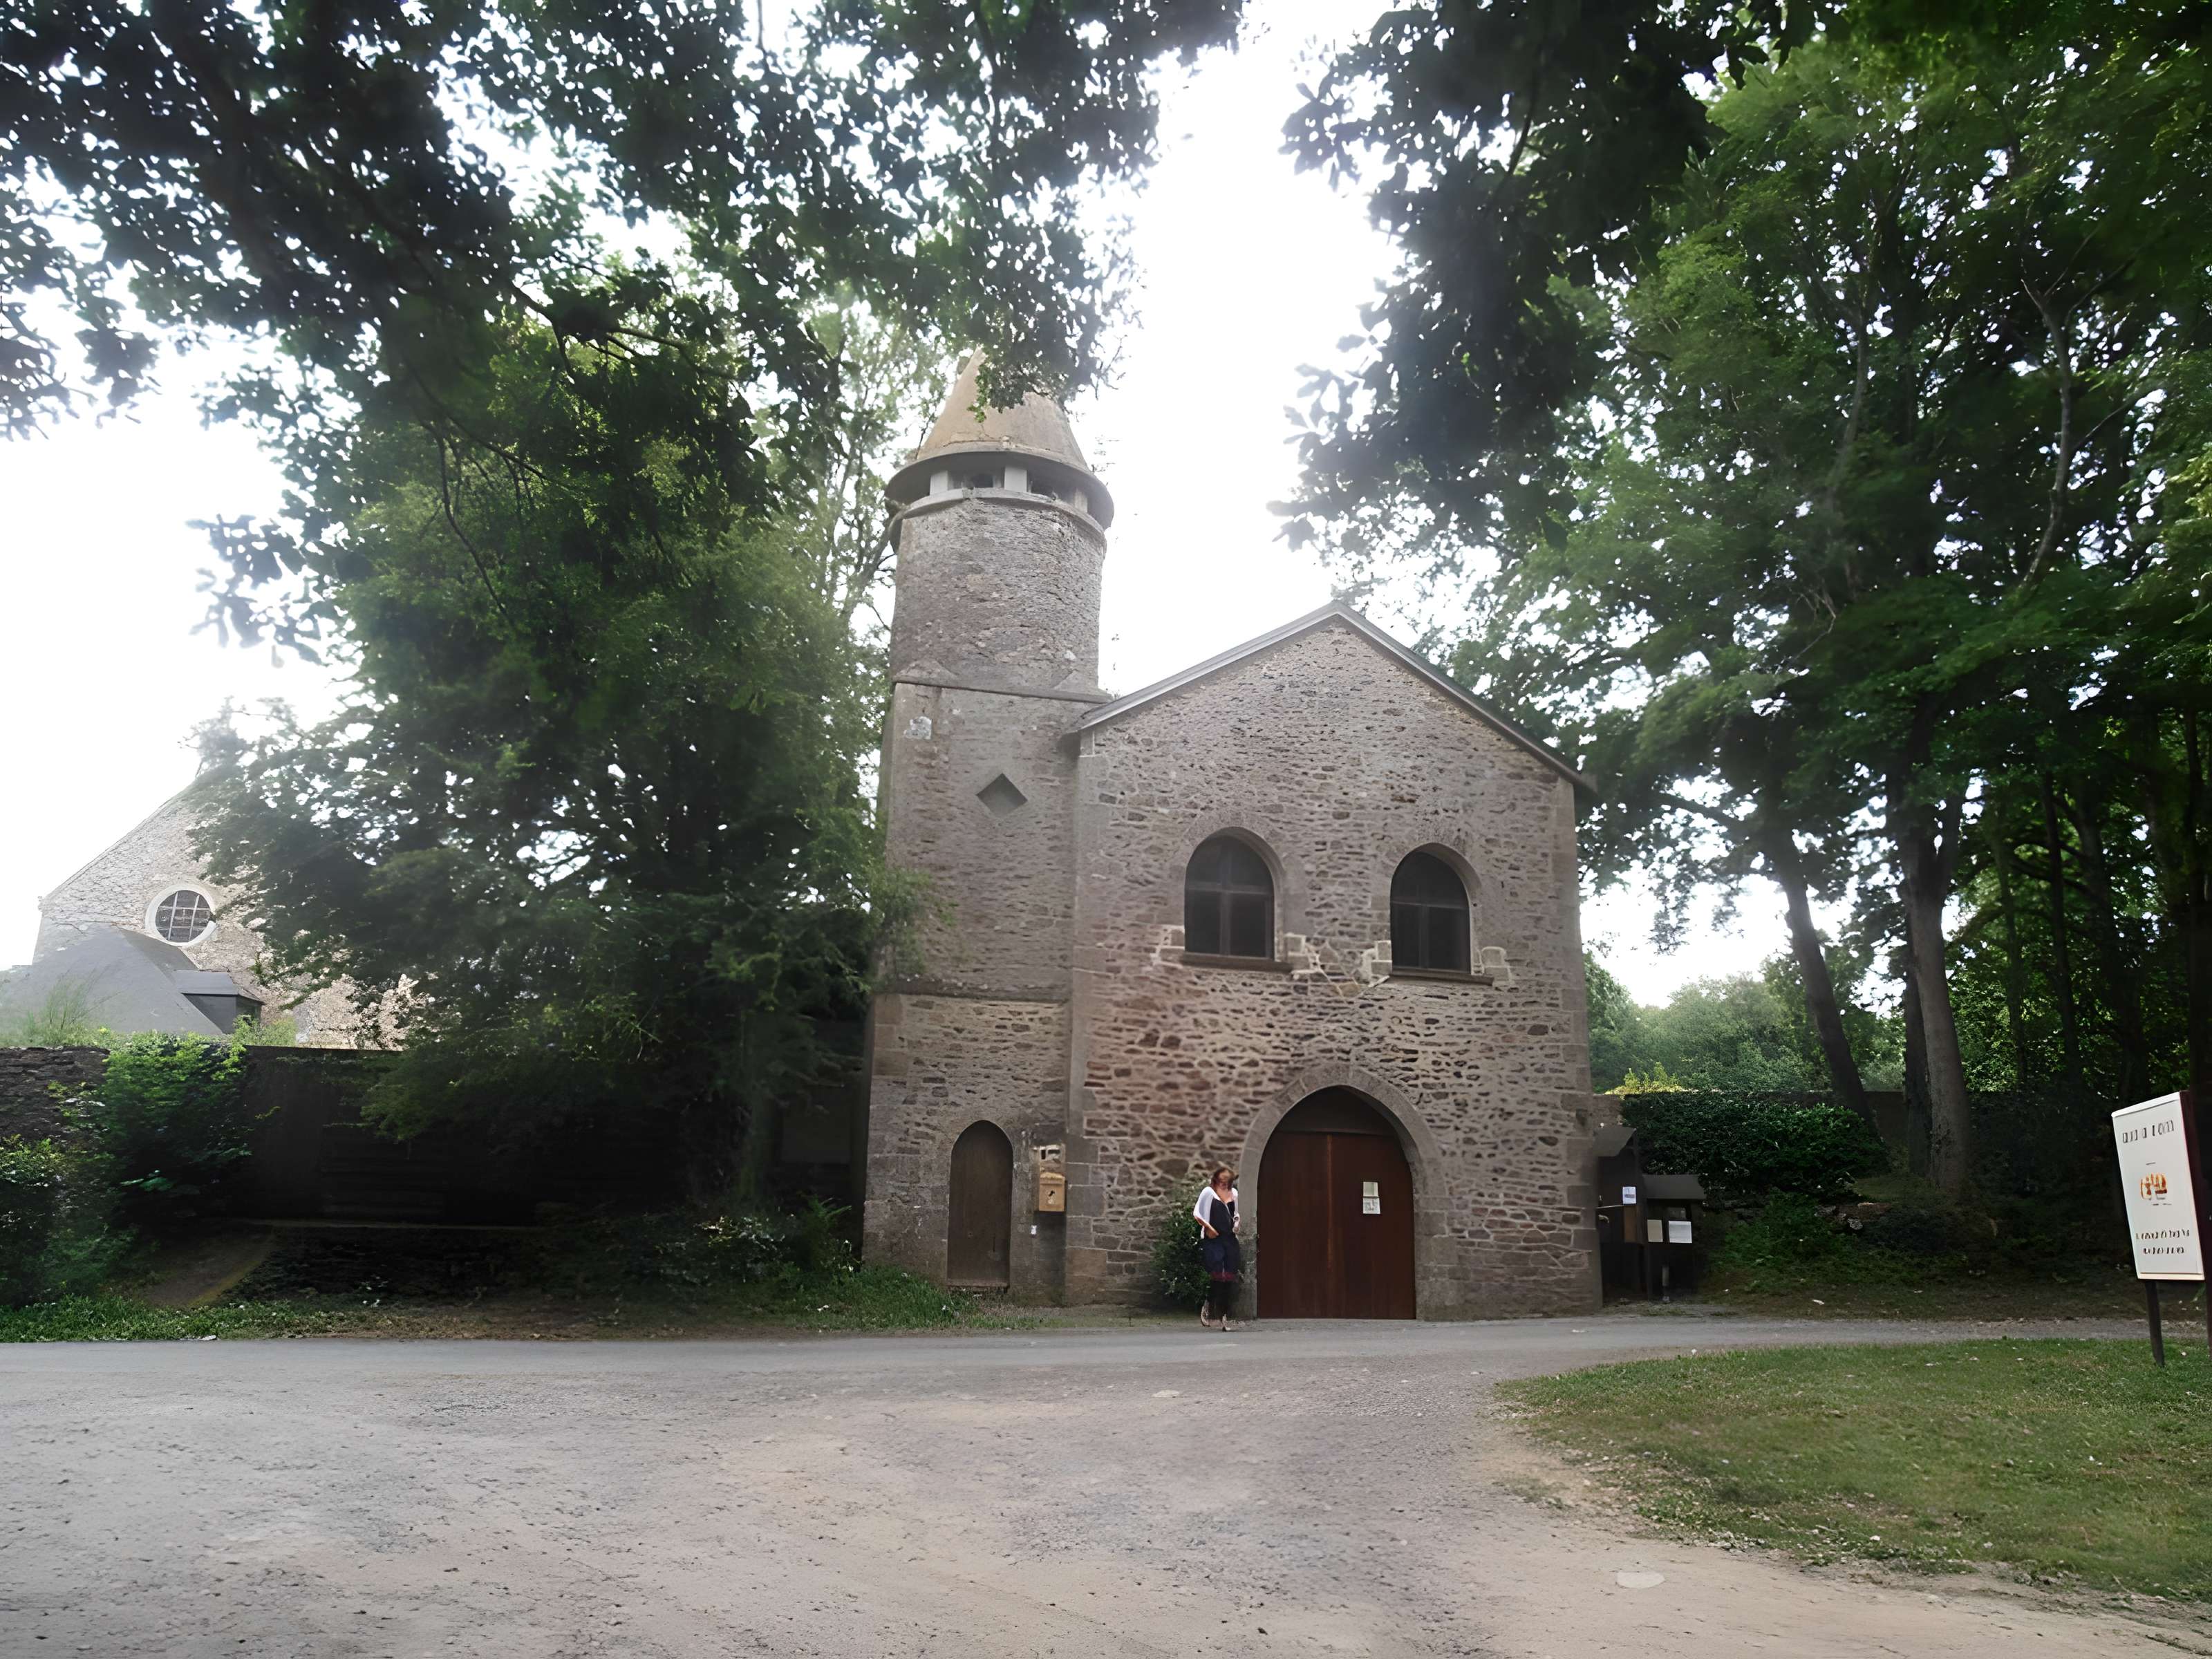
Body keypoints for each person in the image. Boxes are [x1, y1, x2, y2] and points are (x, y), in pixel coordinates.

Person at [1192, 1163, 1241, 1331]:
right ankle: (1209, 1306)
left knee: (1228, 1278)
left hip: (1229, 1239)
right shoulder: (1208, 1193)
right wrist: (1209, 1228)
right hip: (1213, 1240)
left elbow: (1236, 1215)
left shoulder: (1234, 1194)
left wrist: (1237, 1224)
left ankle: (1224, 1316)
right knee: (1218, 1276)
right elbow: (1198, 1213)